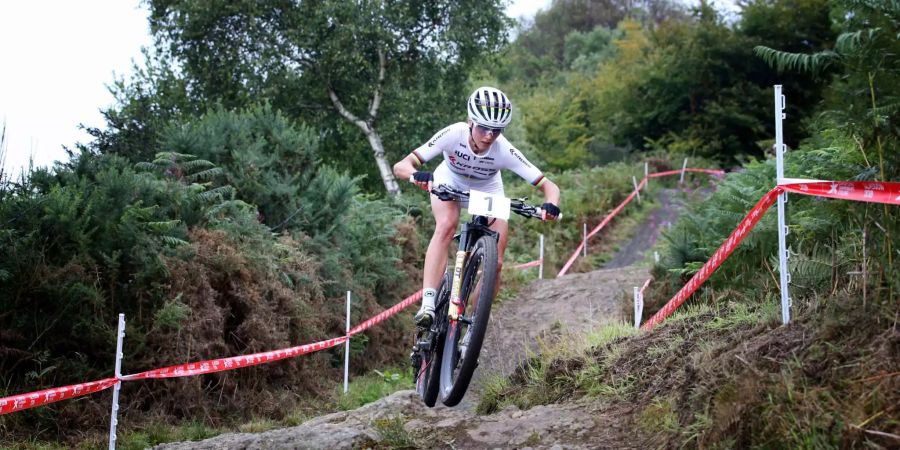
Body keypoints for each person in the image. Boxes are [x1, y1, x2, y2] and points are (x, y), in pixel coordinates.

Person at [392, 86, 561, 327]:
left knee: (498, 262)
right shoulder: (453, 134)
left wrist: (551, 206)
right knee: (446, 225)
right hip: (449, 181)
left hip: (487, 189)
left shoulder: (505, 149)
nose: (489, 136)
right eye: (483, 128)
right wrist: (416, 175)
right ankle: (428, 304)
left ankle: (473, 322)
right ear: (470, 121)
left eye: (497, 130)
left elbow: (550, 186)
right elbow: (402, 165)